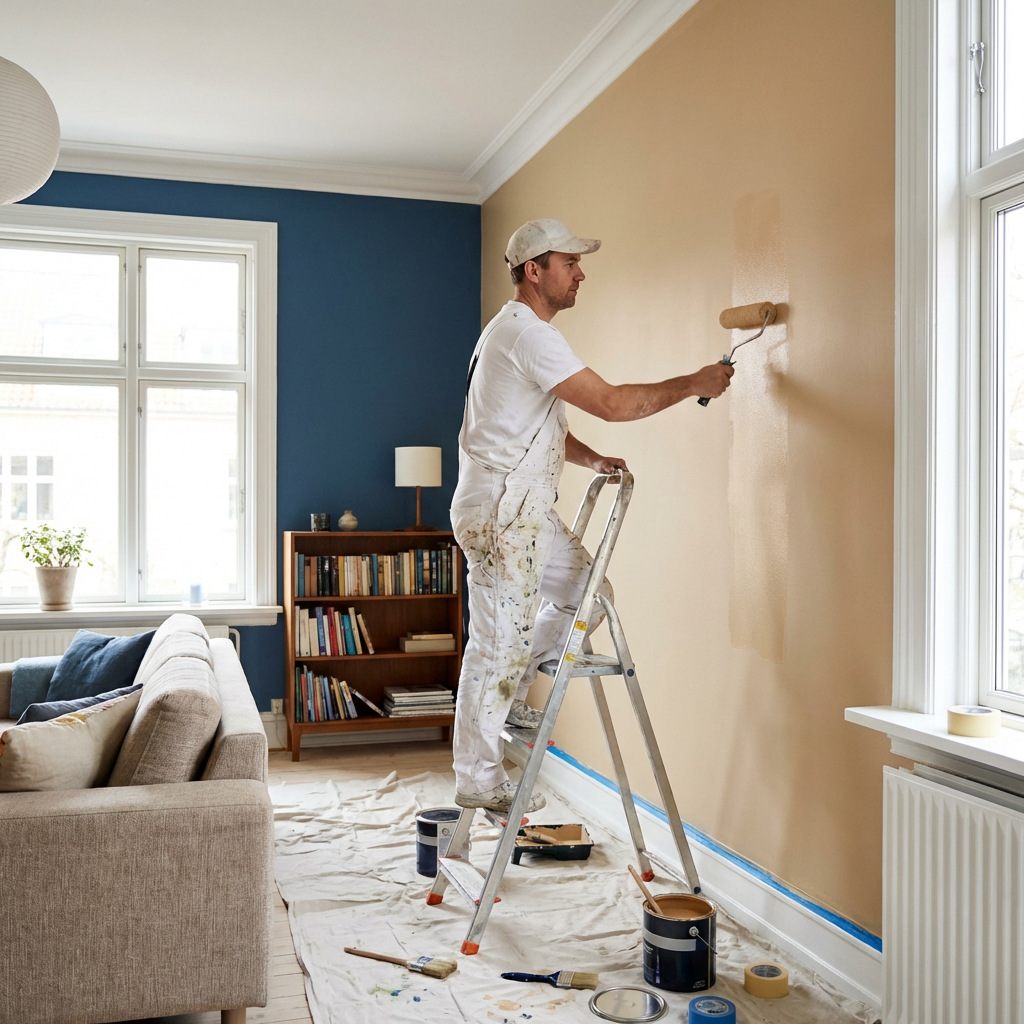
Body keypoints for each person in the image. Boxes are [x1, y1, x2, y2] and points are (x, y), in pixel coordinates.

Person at [451, 219, 734, 813]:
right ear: (535, 270)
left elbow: (531, 423)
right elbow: (609, 402)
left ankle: (515, 697)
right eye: (570, 263)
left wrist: (587, 457)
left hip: (520, 507)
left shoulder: (513, 333)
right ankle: (478, 776)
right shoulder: (530, 335)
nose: (581, 274)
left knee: (589, 591)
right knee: (495, 644)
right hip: (504, 515)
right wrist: (693, 382)